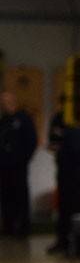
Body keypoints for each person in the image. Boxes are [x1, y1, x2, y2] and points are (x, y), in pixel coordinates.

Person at [46, 96, 80, 254]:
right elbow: (53, 141)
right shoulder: (58, 118)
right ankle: (63, 240)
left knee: (79, 207)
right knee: (64, 207)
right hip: (64, 168)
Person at [0, 90, 38, 238]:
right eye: (2, 101)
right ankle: (8, 227)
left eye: (6, 100)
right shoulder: (4, 120)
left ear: (13, 100)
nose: (4, 103)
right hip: (4, 166)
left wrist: (23, 160)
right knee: (6, 197)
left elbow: (32, 141)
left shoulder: (23, 118)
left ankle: (23, 228)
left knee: (20, 197)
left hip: (18, 166)